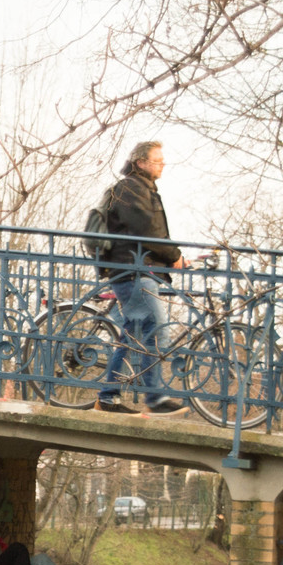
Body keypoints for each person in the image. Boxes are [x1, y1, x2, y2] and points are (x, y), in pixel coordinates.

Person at [90, 140, 188, 416]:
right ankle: (154, 398)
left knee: (133, 333)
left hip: (137, 269)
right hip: (133, 270)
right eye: (157, 160)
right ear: (141, 163)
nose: (163, 164)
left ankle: (107, 397)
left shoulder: (142, 189)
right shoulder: (132, 188)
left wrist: (174, 257)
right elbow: (146, 231)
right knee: (156, 330)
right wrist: (174, 255)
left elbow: (151, 230)